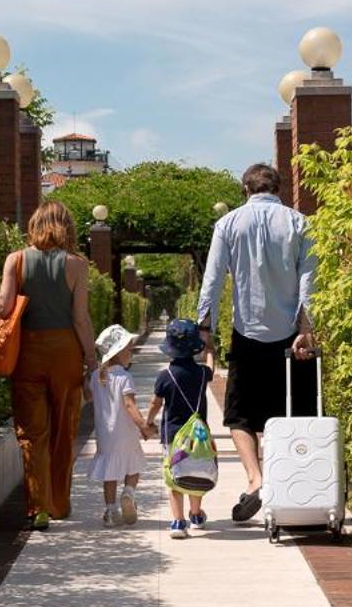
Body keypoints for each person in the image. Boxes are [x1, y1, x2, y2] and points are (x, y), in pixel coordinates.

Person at [197, 161, 315, 522]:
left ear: (245, 190)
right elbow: (309, 276)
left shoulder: (228, 223)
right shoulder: (299, 222)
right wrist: (306, 325)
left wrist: (205, 329)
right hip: (292, 336)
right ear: (277, 189)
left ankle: (255, 479)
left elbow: (213, 278)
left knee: (240, 413)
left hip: (247, 331)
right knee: (293, 411)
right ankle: (285, 482)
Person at [0, 201, 98, 529]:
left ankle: (37, 505)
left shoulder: (16, 260)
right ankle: (59, 503)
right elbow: (80, 318)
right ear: (67, 227)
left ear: (35, 224)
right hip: (65, 350)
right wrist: (92, 360)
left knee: (32, 431)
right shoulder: (77, 265)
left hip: (28, 350)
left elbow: (3, 307)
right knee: (64, 428)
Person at [146, 317, 215, 537]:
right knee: (196, 472)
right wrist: (210, 351)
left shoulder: (164, 377)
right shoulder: (202, 374)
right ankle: (195, 514)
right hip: (198, 437)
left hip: (173, 437)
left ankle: (178, 521)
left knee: (173, 476)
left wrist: (149, 420)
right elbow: (210, 367)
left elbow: (155, 403)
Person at [88, 324, 149, 526]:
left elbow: (87, 395)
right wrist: (143, 426)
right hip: (126, 433)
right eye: (128, 349)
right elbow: (130, 406)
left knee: (109, 473)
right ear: (118, 352)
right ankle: (129, 494)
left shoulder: (96, 377)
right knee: (134, 466)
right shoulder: (124, 377)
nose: (131, 353)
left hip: (105, 434)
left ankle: (111, 511)